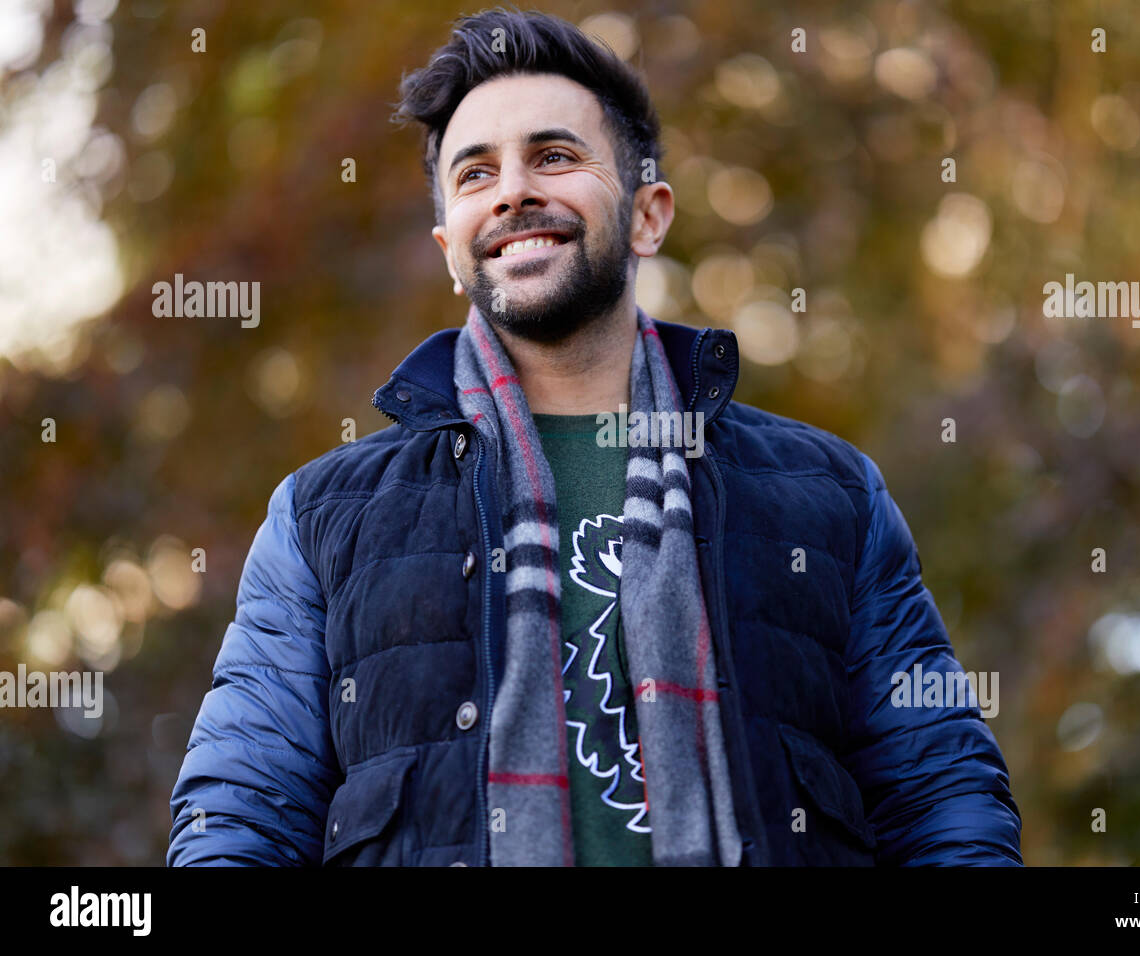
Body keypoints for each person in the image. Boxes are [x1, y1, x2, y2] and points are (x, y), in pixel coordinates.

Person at [167, 5, 1022, 867]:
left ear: (649, 215)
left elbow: (943, 797)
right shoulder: (322, 517)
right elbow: (242, 814)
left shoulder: (830, 496)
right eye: (474, 175)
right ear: (448, 246)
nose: (511, 192)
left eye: (554, 157)